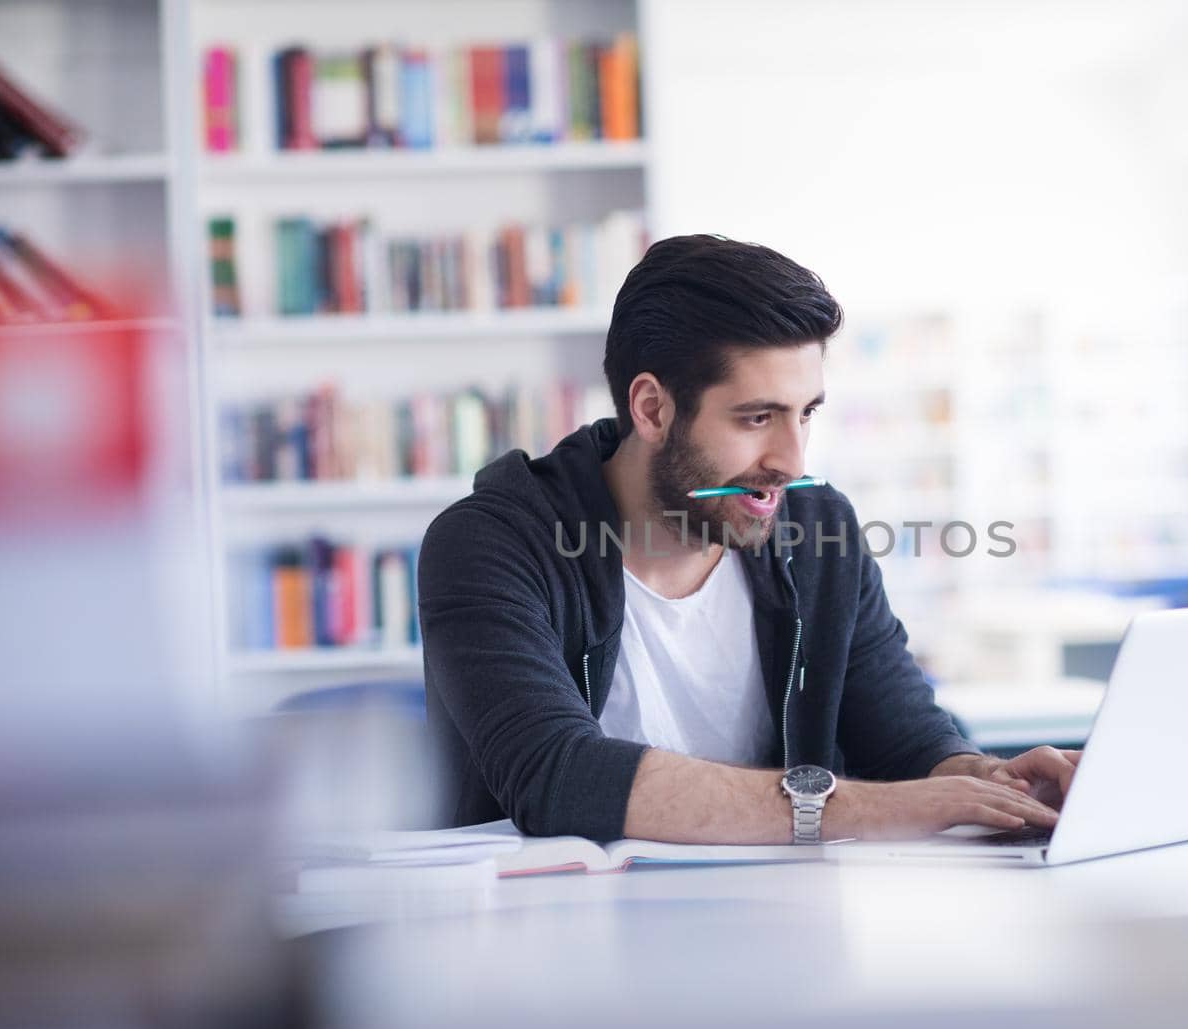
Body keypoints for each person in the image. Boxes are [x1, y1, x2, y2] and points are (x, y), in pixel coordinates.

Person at [417, 234, 1079, 844]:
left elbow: (904, 738)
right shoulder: (490, 545)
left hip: (779, 933)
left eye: (805, 415)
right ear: (653, 409)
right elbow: (558, 779)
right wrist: (865, 808)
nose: (791, 461)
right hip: (550, 943)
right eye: (757, 417)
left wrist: (983, 783)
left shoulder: (819, 530)